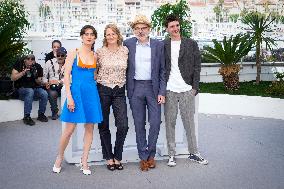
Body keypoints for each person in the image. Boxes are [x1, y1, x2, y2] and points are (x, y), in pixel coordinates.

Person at [52, 25, 103, 175]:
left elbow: (94, 76)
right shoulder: (74, 52)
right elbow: (66, 75)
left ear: (95, 37)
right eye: (86, 34)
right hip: (76, 92)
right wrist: (69, 97)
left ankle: (84, 160)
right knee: (69, 130)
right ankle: (59, 157)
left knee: (89, 128)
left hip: (91, 93)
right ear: (81, 36)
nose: (89, 36)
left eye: (92, 34)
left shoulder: (95, 56)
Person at [163, 14, 208, 167]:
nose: (175, 28)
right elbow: (161, 68)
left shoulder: (191, 44)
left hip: (187, 89)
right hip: (169, 90)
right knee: (170, 123)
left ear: (179, 26)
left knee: (189, 123)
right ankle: (171, 155)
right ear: (167, 29)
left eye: (177, 25)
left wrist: (194, 88)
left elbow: (197, 66)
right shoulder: (164, 45)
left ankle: (194, 153)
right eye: (171, 26)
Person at [124, 15, 166, 171]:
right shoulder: (128, 44)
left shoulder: (158, 45)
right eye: (137, 29)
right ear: (133, 30)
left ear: (149, 29)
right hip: (135, 88)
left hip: (153, 89)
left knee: (155, 123)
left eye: (143, 28)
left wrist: (162, 91)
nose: (140, 31)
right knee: (139, 124)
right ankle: (143, 157)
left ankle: (151, 155)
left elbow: (162, 70)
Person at [96, 24, 129, 171]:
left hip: (119, 90)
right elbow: (93, 71)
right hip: (103, 90)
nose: (111, 36)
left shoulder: (125, 50)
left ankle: (117, 156)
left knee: (123, 125)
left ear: (118, 35)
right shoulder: (99, 52)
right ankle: (109, 157)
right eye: (108, 34)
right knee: (103, 125)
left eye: (113, 34)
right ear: (105, 37)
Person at [11, 54, 48, 126]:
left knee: (44, 93)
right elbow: (13, 78)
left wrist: (35, 75)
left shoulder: (37, 66)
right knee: (29, 91)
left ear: (34, 60)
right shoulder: (19, 64)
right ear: (25, 59)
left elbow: (39, 82)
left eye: (32, 59)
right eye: (28, 59)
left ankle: (41, 114)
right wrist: (23, 72)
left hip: (34, 89)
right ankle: (27, 117)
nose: (30, 60)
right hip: (21, 89)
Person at [43, 47, 67, 120]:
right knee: (52, 93)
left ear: (65, 55)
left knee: (68, 90)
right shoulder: (49, 62)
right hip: (52, 86)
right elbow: (44, 77)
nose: (60, 57)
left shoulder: (69, 63)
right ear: (55, 55)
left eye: (62, 55)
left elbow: (71, 77)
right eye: (58, 55)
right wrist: (46, 82)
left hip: (64, 85)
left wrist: (59, 82)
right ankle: (54, 112)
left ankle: (67, 112)